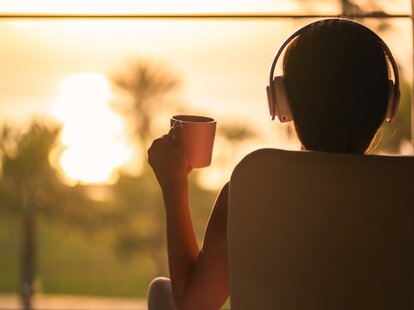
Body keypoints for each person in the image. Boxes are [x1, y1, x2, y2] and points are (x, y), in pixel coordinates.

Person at [147, 18, 399, 310]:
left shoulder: (250, 193)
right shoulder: (404, 193)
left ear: (281, 102)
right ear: (388, 104)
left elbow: (193, 304)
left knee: (162, 293)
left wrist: (174, 184)